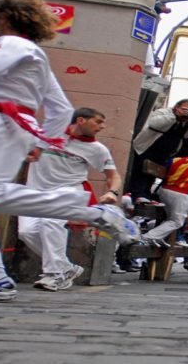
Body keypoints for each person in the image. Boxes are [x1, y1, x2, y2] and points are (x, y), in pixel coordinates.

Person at [0, 0, 140, 301]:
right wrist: (38, 141)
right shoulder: (32, 53)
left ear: (4, 20)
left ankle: (91, 211)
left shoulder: (11, 43)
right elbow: (61, 109)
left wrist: (35, 141)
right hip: (1, 128)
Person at [18, 108, 122, 291]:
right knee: (26, 232)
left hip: (69, 191)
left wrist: (112, 192)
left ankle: (55, 275)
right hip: (35, 192)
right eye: (98, 122)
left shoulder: (97, 149)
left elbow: (113, 176)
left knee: (50, 222)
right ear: (81, 120)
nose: (103, 127)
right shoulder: (47, 135)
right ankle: (65, 267)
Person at [129, 99, 188, 204]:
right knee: (141, 171)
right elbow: (154, 123)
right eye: (186, 109)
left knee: (154, 173)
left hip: (166, 152)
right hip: (147, 147)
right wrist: (175, 116)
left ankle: (145, 195)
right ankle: (136, 195)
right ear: (177, 107)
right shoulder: (164, 112)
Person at [141, 148, 188, 248]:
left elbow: (164, 170)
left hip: (164, 190)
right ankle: (149, 236)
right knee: (177, 222)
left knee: (170, 217)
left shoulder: (175, 160)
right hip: (181, 194)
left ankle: (159, 237)